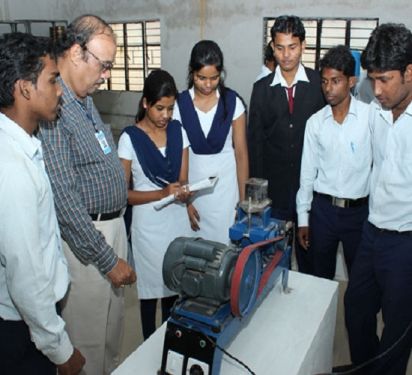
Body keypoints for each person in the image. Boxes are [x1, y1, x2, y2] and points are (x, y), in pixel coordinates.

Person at [38, 15, 136, 375]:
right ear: (77, 52)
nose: (106, 74)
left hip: (111, 230)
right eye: (104, 65)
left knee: (111, 334)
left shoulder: (82, 96)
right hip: (86, 243)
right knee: (87, 341)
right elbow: (64, 200)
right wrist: (108, 260)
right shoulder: (54, 103)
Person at [0, 32, 85, 374]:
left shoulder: (24, 146)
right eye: (52, 80)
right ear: (24, 89)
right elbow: (26, 274)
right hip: (21, 330)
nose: (60, 90)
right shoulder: (12, 168)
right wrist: (60, 349)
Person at [343, 23, 412, 375]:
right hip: (372, 233)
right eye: (372, 79)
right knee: (356, 310)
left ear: (410, 71)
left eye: (385, 79)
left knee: (397, 331)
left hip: (405, 243)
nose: (377, 89)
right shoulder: (377, 112)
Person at [248, 15, 325, 273]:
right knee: (273, 261)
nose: (286, 55)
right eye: (280, 47)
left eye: (292, 47)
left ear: (303, 45)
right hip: (274, 192)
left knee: (309, 260)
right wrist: (258, 196)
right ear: (272, 47)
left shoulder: (318, 85)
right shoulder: (261, 89)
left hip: (310, 190)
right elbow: (255, 143)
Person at [118, 69, 190, 340]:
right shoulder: (129, 138)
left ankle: (170, 345)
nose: (166, 116)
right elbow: (124, 194)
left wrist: (184, 192)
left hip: (176, 220)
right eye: (160, 108)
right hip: (147, 226)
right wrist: (161, 194)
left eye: (171, 109)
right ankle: (149, 345)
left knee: (174, 289)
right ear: (146, 103)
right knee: (150, 293)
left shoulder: (178, 131)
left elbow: (183, 179)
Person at [296, 45, 371, 280]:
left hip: (358, 214)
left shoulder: (370, 118)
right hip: (323, 212)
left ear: (351, 81)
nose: (328, 88)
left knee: (360, 283)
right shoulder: (315, 123)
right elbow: (307, 174)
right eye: (325, 81)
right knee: (320, 281)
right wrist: (303, 219)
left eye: (335, 81)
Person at [174, 40, 249, 244]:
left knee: (225, 253)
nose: (208, 84)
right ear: (192, 72)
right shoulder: (179, 105)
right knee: (196, 253)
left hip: (226, 194)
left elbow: (241, 154)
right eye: (201, 78)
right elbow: (179, 157)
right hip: (193, 194)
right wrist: (186, 200)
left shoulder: (232, 102)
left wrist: (242, 203)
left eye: (214, 78)